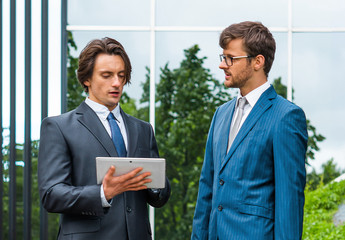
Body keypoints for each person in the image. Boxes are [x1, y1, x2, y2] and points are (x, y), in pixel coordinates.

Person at [38, 37, 171, 240]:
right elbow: (51, 195)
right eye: (106, 75)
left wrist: (153, 183)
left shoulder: (143, 129)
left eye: (121, 75)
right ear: (86, 79)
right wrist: (103, 193)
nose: (116, 83)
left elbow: (159, 196)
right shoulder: (58, 127)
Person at [191, 21, 308, 240]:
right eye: (223, 57)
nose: (223, 65)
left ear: (258, 61)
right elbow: (207, 187)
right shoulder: (220, 115)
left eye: (231, 59)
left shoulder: (286, 116)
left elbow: (289, 201)